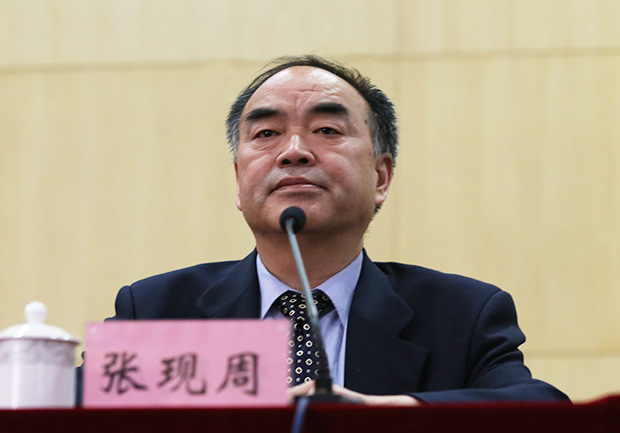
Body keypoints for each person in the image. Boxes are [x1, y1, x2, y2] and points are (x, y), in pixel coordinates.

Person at [99, 55, 569, 405]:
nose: (294, 151)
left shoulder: (460, 315)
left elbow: (541, 409)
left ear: (381, 177)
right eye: (266, 134)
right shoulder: (158, 312)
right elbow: (70, 406)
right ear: (239, 182)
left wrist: (382, 416)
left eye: (326, 130)